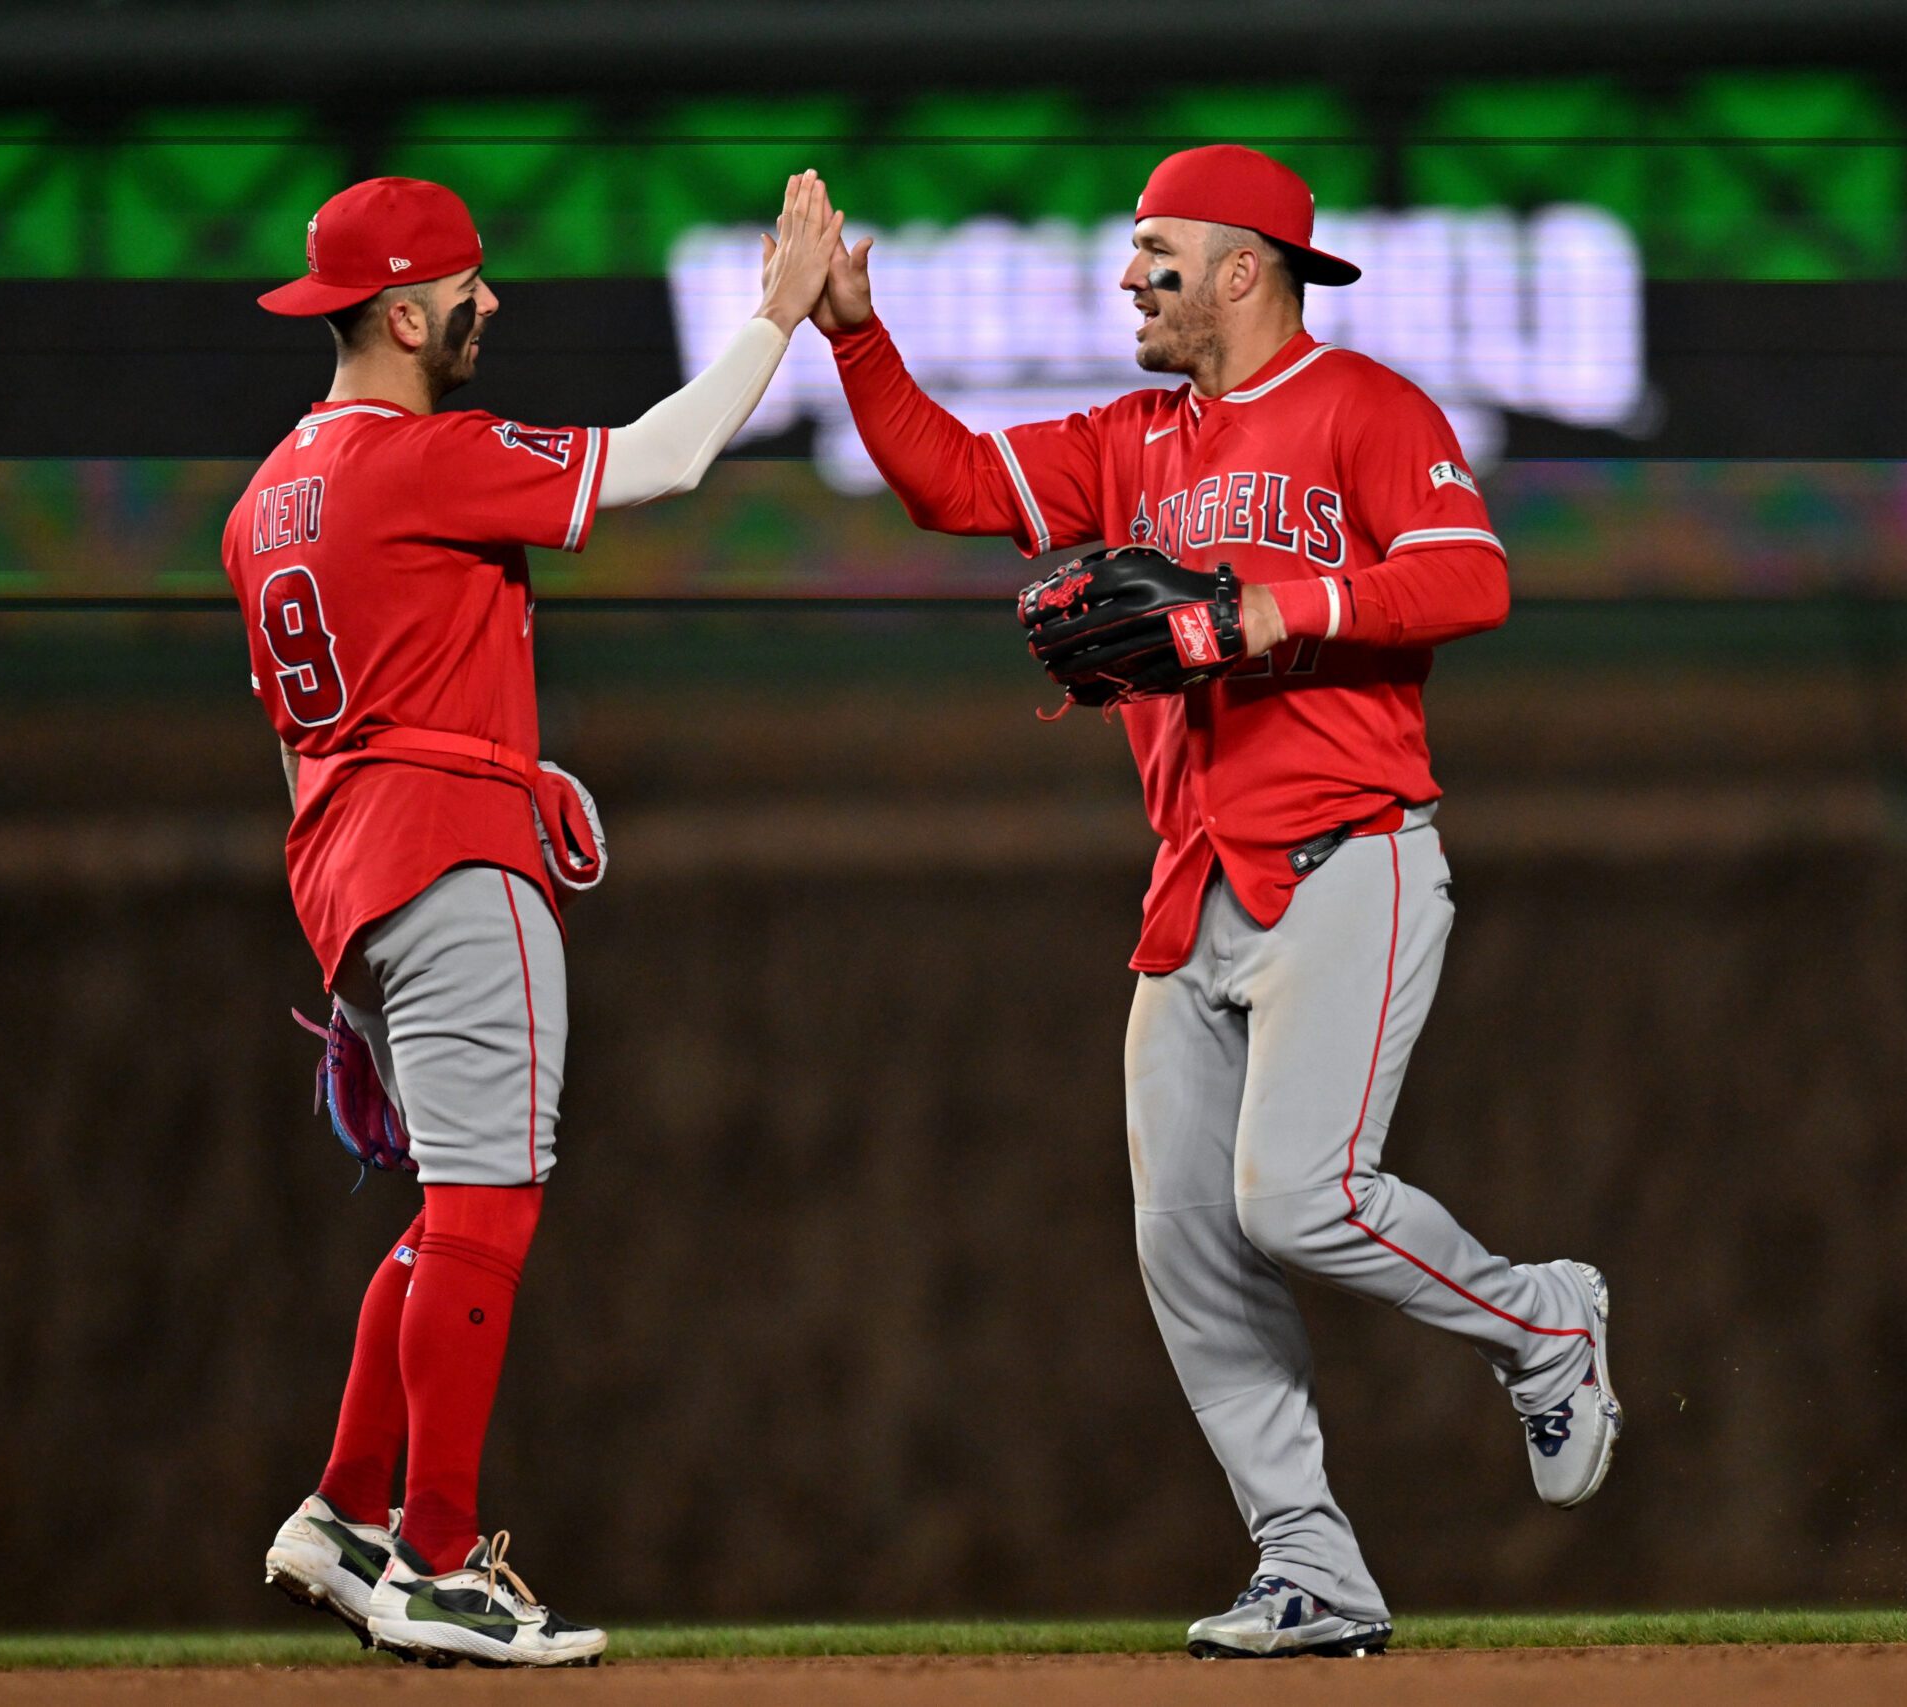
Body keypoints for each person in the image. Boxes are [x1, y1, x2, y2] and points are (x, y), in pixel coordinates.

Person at [812, 145, 1619, 1659]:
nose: (1132, 276)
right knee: (1186, 1240)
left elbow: (1470, 578)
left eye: (1157, 251)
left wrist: (1271, 606)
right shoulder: (1131, 438)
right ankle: (1310, 1563)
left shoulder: (1366, 409)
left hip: (1350, 857)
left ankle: (1545, 1324)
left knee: (1297, 1198)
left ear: (1245, 266)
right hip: (1194, 892)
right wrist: (853, 331)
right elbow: (947, 482)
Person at [224, 171, 839, 1668]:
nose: (484, 301)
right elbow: (670, 459)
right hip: (447, 863)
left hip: (353, 866)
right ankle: (436, 1560)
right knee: (493, 1205)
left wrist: (497, 761)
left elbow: (327, 743)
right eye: (460, 282)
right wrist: (780, 312)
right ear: (395, 308)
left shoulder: (263, 501)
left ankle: (349, 1513)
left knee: (452, 1205)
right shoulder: (415, 457)